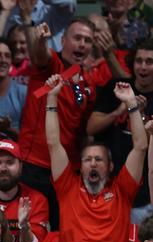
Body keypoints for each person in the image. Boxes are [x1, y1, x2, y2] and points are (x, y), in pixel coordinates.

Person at [46, 75, 147, 242]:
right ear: (80, 166)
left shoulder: (122, 190)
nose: (92, 163)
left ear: (110, 167)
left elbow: (140, 147)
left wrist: (131, 104)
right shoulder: (67, 187)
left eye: (98, 160)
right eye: (87, 159)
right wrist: (51, 100)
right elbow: (53, 143)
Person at [20, 18, 97, 230]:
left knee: (61, 231)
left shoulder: (88, 83)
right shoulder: (51, 64)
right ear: (63, 40)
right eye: (77, 38)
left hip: (66, 171)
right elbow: (39, 55)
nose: (82, 44)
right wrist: (41, 40)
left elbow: (83, 131)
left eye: (88, 40)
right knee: (32, 228)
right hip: (34, 164)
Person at [87, 38, 153, 224]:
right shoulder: (117, 88)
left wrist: (138, 114)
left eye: (149, 62)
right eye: (139, 61)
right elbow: (91, 128)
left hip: (143, 196)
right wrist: (119, 110)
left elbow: (146, 146)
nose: (143, 67)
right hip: (105, 189)